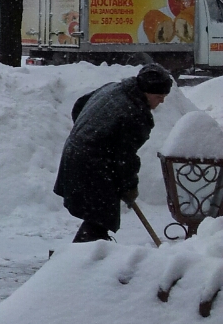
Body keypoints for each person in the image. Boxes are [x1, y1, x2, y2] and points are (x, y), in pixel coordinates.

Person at [53, 63, 174, 242]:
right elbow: (125, 157)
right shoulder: (135, 114)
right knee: (101, 215)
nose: (162, 101)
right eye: (159, 96)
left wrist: (88, 131)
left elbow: (80, 105)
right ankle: (84, 253)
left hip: (77, 152)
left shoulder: (113, 89)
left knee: (98, 215)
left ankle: (86, 250)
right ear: (146, 92)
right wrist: (129, 187)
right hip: (93, 163)